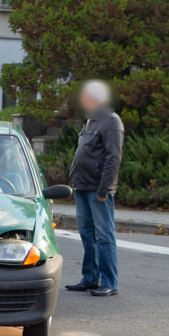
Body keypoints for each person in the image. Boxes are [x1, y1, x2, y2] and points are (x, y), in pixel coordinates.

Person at [65, 80, 124, 297]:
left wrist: (105, 188)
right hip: (82, 186)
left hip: (97, 189)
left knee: (104, 235)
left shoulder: (110, 120)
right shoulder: (90, 119)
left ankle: (109, 282)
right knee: (87, 234)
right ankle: (90, 278)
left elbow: (113, 157)